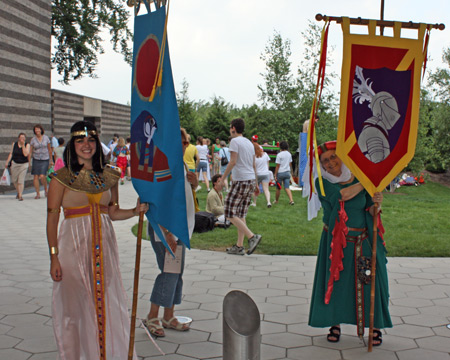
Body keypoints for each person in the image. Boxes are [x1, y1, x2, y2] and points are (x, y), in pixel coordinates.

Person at [47, 121, 148, 359]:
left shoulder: (110, 176)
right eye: (80, 140)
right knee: (76, 308)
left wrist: (134, 211)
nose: (86, 145)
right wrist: (54, 257)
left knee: (104, 302)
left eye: (91, 140)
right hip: (72, 249)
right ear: (73, 144)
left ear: (97, 143)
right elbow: (52, 220)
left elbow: (112, 213)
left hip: (104, 250)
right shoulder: (60, 178)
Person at [308, 141, 392, 346]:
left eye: (333, 157)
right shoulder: (322, 182)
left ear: (341, 157)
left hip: (362, 242)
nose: (330, 163)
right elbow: (341, 196)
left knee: (367, 281)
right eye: (325, 160)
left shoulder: (357, 177)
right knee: (335, 282)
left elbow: (371, 210)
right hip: (335, 243)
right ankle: (334, 323)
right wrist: (367, 181)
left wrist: (377, 203)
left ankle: (373, 326)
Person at [143, 127, 197, 337]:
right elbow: (156, 200)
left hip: (180, 228)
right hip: (165, 229)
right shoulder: (162, 165)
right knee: (169, 272)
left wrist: (193, 183)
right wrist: (165, 232)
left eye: (187, 143)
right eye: (183, 143)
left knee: (176, 273)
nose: (186, 147)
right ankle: (152, 316)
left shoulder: (181, 164)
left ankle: (168, 315)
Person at [220, 118, 262, 255]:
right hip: (249, 180)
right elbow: (253, 164)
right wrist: (255, 183)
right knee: (241, 213)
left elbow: (232, 162)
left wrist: (222, 178)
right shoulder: (249, 143)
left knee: (229, 212)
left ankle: (252, 237)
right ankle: (239, 246)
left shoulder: (234, 141)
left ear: (233, 128)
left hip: (240, 180)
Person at [5, 133, 30, 201]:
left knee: (20, 181)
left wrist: (23, 146)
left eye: (23, 137)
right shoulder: (14, 144)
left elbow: (25, 154)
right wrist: (7, 161)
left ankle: (20, 195)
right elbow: (11, 153)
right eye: (21, 137)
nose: (22, 139)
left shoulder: (27, 145)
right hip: (15, 164)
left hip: (24, 164)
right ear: (18, 138)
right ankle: (19, 192)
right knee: (15, 180)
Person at [30, 124, 52, 199]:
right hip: (36, 159)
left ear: (41, 130)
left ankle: (45, 189)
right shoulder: (33, 139)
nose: (37, 131)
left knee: (42, 176)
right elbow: (30, 151)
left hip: (45, 159)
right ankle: (38, 193)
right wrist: (29, 161)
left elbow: (49, 150)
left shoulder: (46, 138)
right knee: (35, 176)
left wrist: (51, 160)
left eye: (38, 129)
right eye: (36, 129)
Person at [274, 141, 294, 205]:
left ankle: (276, 201)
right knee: (287, 187)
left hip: (280, 173)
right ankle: (291, 200)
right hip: (287, 172)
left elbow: (277, 166)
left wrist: (275, 174)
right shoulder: (289, 154)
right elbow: (290, 164)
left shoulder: (279, 155)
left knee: (278, 188)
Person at [252, 142, 271, 207]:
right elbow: (268, 164)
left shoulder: (254, 157)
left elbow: (253, 167)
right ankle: (268, 202)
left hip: (258, 174)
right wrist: (267, 171)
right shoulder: (265, 154)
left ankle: (254, 203)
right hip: (265, 173)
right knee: (266, 189)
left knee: (255, 189)